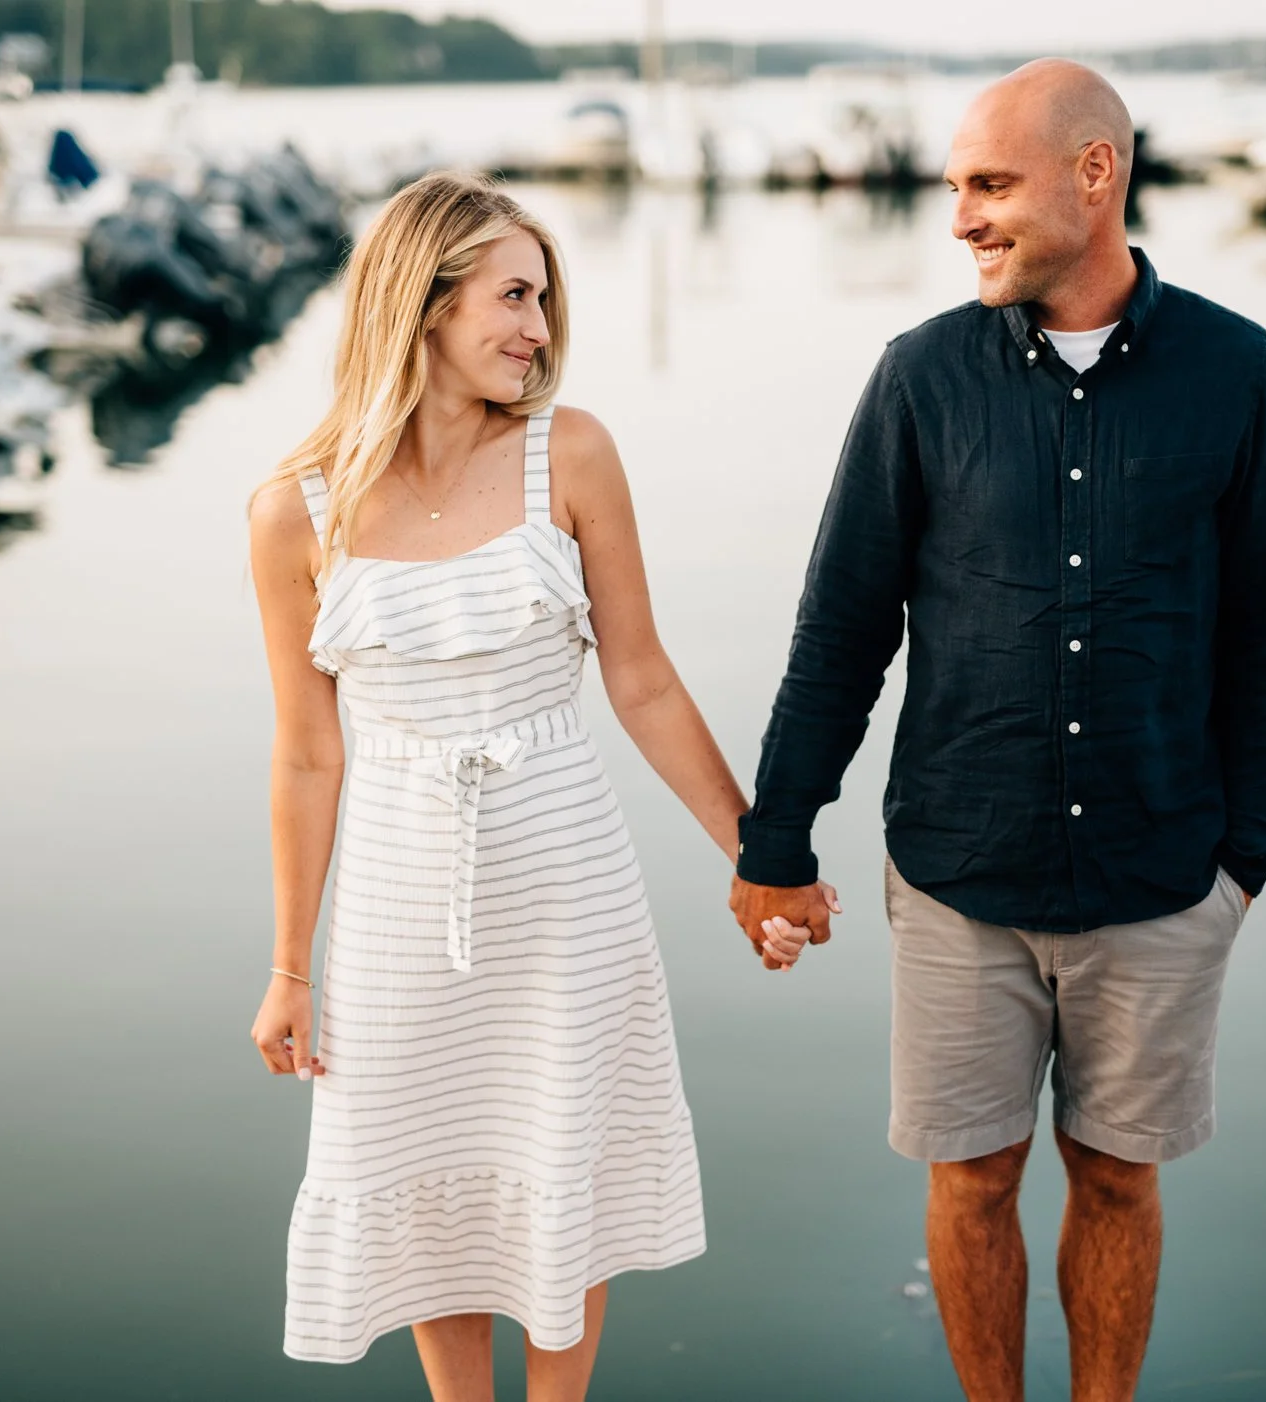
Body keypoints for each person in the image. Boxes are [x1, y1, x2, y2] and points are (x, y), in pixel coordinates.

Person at [728, 61, 1266, 1402]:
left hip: (1166, 871)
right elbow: (842, 630)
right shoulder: (920, 379)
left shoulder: (1240, 372)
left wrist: (1248, 854)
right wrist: (775, 836)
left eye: (990, 184)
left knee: (1117, 1171)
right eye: (956, 189)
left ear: (1094, 173)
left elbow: (1263, 634)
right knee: (971, 1174)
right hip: (957, 872)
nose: (962, 218)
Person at [247, 171, 829, 1402]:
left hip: (565, 888)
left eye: (545, 300)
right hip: (400, 907)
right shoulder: (292, 513)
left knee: (558, 1162)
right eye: (514, 296)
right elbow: (308, 752)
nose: (539, 329)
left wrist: (757, 855)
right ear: (424, 304)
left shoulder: (570, 454)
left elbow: (645, 682)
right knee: (428, 1176)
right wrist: (291, 963)